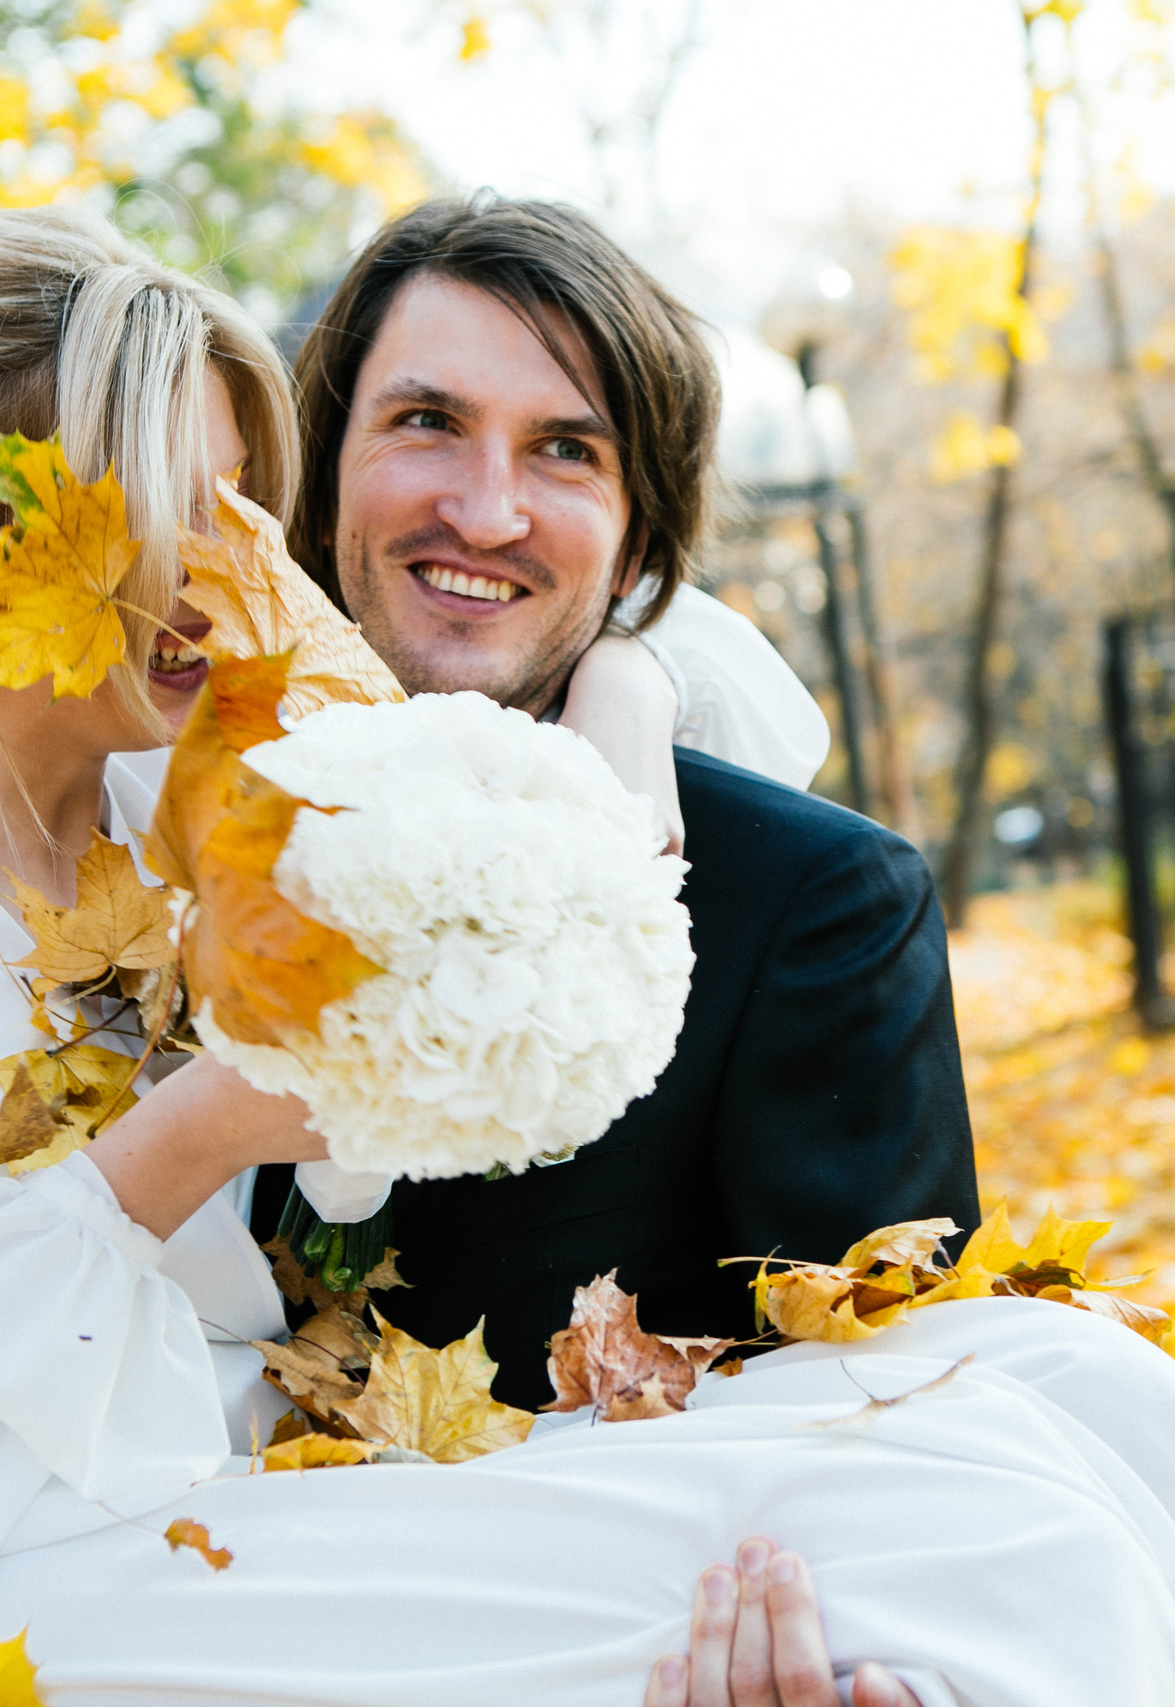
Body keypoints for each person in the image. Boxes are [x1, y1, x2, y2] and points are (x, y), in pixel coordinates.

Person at [0, 204, 1175, 1707]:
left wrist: (624, 705)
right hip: (66, 1568)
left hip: (294, 1492)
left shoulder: (182, 793)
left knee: (1097, 1395)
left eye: (237, 498)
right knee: (1011, 1561)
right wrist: (197, 1129)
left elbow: (610, 653)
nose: (234, 564)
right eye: (161, 515)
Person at [254, 197, 980, 1405]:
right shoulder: (148, 828)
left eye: (565, 451)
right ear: (321, 476)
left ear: (638, 542)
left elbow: (882, 1412)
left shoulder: (815, 907)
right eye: (427, 422)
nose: (486, 512)